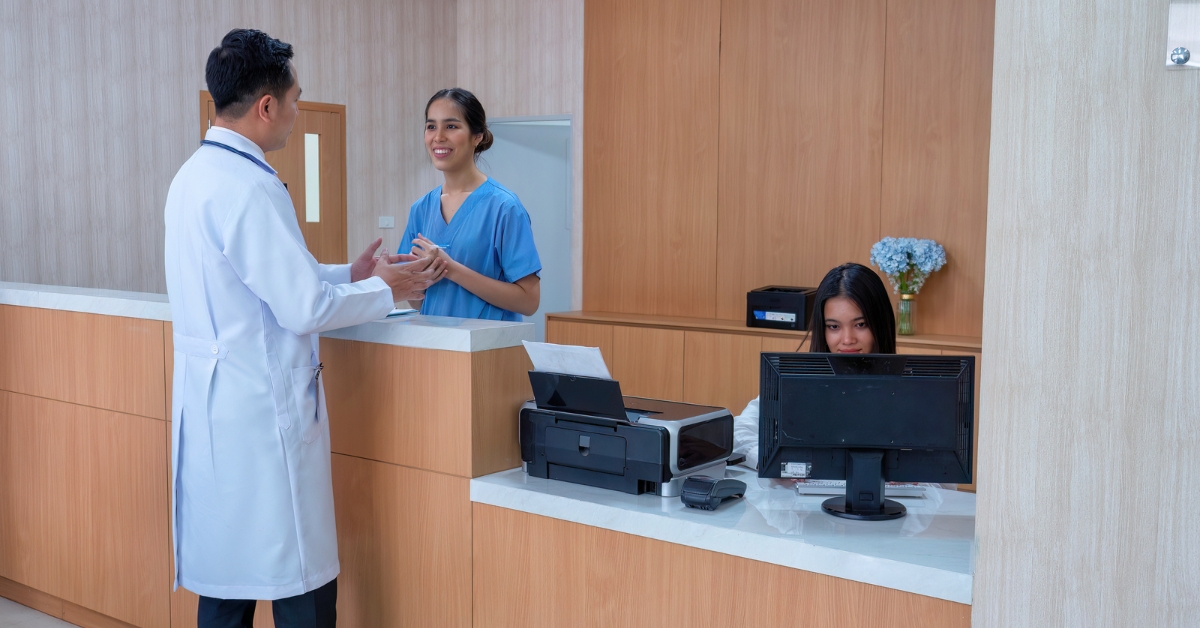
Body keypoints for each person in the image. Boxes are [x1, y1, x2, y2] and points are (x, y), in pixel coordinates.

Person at [164, 29, 445, 628]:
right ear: (265, 106)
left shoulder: (195, 177)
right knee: (299, 584)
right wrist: (386, 291)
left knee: (226, 584)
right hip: (262, 416)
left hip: (218, 412)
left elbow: (270, 276)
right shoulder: (248, 187)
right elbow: (303, 308)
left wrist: (355, 271)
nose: (295, 113)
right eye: (293, 100)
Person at [732, 262, 897, 470]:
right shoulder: (794, 382)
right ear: (822, 329)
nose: (847, 339)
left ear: (880, 325)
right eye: (834, 326)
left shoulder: (910, 389)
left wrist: (910, 473)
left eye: (860, 325)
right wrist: (776, 462)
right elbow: (739, 432)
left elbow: (944, 478)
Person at [398, 88, 542, 321]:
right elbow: (415, 299)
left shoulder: (504, 207)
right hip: (433, 346)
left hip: (488, 351)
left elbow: (529, 301)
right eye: (431, 126)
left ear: (478, 136)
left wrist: (451, 270)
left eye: (451, 126)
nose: (438, 137)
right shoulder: (421, 209)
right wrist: (421, 276)